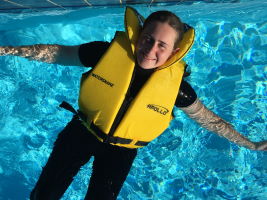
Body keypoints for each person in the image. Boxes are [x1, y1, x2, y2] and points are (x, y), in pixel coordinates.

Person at [0, 7, 266, 200]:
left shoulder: (178, 90)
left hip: (120, 152)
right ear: (138, 35)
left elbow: (210, 121)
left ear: (174, 52)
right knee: (43, 195)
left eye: (162, 45)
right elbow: (57, 53)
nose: (150, 50)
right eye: (148, 39)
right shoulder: (104, 53)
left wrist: (250, 144)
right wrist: (8, 50)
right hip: (80, 133)